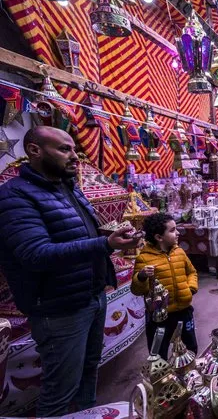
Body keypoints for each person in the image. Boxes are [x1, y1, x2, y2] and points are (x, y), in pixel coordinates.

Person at [0, 126, 141, 416]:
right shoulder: (14, 196)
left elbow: (79, 234)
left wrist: (113, 235)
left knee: (89, 371)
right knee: (60, 390)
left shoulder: (69, 188)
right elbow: (35, 253)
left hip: (90, 295)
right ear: (35, 151)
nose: (75, 156)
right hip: (58, 308)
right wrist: (104, 243)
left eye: (75, 149)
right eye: (65, 149)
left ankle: (86, 413)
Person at [131, 212, 199, 360]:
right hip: (160, 318)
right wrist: (141, 276)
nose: (178, 233)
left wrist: (190, 288)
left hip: (184, 311)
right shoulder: (144, 258)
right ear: (159, 237)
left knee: (191, 348)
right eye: (173, 230)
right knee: (158, 354)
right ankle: (165, 381)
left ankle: (189, 377)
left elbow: (191, 272)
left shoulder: (179, 252)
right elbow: (137, 290)